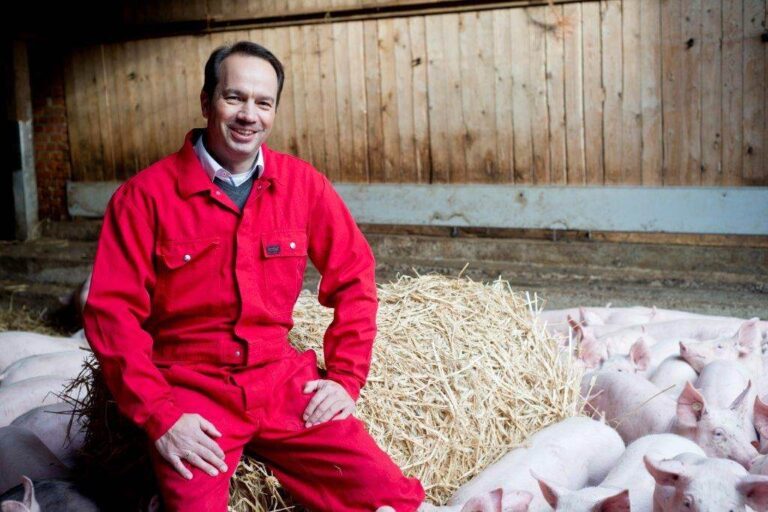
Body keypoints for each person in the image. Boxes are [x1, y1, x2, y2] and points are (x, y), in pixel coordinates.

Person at [83, 41, 425, 511]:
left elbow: (355, 277)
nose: (249, 115)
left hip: (281, 382)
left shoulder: (304, 185)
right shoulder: (144, 198)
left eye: (263, 103)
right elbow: (111, 315)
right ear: (207, 102)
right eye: (234, 98)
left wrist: (345, 378)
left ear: (274, 112)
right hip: (192, 388)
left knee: (391, 497)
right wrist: (161, 418)